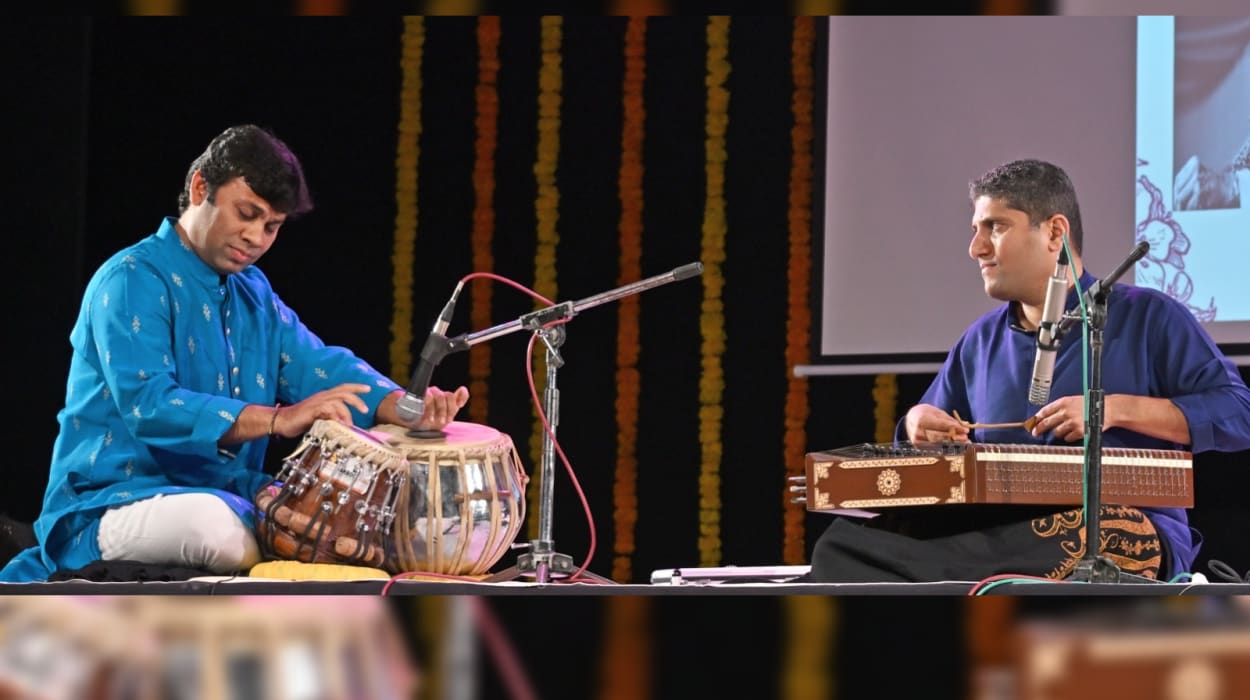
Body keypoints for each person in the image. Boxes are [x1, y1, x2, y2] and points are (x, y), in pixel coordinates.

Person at [0, 124, 468, 582]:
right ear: (200, 187)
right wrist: (278, 419)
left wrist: (405, 407)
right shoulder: (131, 279)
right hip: (111, 501)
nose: (256, 237)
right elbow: (149, 404)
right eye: (247, 214)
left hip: (227, 497)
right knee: (218, 530)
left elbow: (316, 364)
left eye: (272, 226)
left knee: (355, 524)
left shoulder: (253, 293)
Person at [808, 158, 1250, 583]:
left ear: (1055, 232)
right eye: (975, 230)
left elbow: (1237, 413)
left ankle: (943, 567)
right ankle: (960, 566)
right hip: (994, 530)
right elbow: (925, 444)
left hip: (1118, 525)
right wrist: (917, 423)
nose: (976, 248)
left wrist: (1110, 409)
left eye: (996, 227)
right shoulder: (980, 341)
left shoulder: (1149, 316)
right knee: (841, 545)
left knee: (1098, 538)